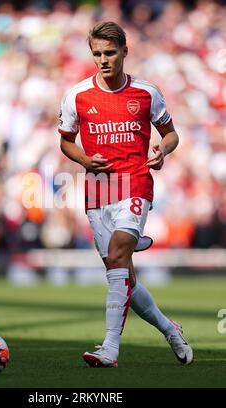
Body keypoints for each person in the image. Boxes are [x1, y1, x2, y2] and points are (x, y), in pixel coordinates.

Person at [59, 21, 193, 368]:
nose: (103, 60)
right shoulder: (77, 95)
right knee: (123, 275)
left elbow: (171, 134)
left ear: (124, 52)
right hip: (99, 189)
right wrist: (85, 159)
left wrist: (163, 150)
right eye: (97, 54)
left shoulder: (146, 93)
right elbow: (65, 141)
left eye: (110, 53)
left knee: (118, 253)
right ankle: (170, 328)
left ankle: (110, 350)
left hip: (134, 182)